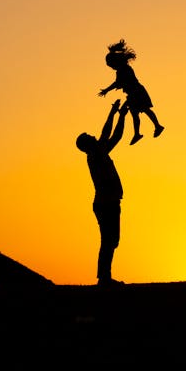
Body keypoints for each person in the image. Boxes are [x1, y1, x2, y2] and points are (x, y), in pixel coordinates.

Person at [76, 99, 130, 286]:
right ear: (87, 145)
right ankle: (104, 278)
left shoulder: (100, 152)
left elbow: (116, 136)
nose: (94, 137)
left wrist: (121, 115)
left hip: (110, 202)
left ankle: (105, 277)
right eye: (90, 137)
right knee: (109, 240)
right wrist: (114, 112)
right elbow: (107, 133)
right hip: (106, 203)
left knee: (112, 240)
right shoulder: (95, 155)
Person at [98, 39, 165, 145]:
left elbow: (117, 83)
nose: (111, 67)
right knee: (135, 114)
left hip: (137, 92)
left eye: (111, 65)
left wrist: (106, 90)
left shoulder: (123, 70)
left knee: (145, 110)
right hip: (133, 93)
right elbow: (119, 83)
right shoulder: (122, 69)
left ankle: (156, 126)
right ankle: (139, 133)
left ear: (115, 62)